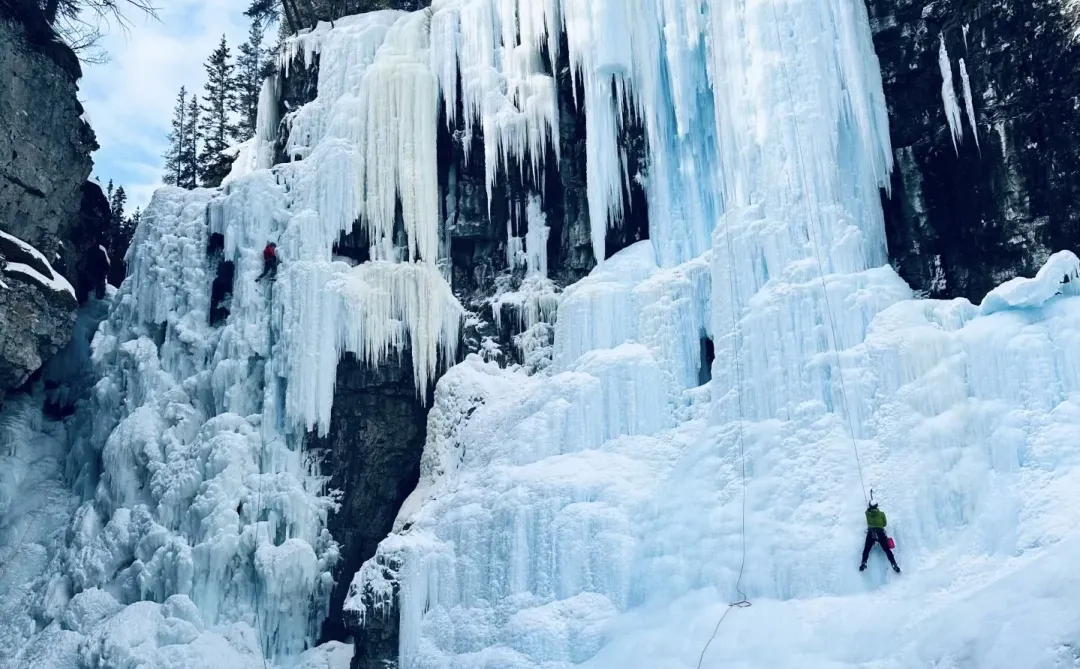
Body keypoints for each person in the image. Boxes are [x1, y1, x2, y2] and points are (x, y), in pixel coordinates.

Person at [860, 501, 900, 573]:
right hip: (880, 532)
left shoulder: (867, 514)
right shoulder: (881, 514)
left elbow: (867, 511)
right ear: (877, 506)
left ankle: (864, 562)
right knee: (887, 550)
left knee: (866, 549)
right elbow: (884, 524)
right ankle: (893, 564)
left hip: (871, 533)